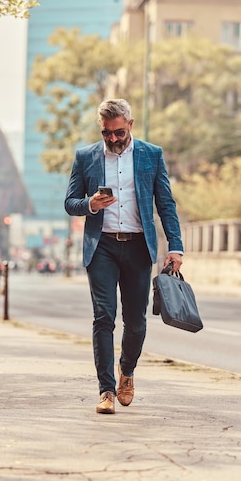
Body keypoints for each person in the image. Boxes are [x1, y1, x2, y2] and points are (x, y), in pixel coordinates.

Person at [64, 98, 183, 414]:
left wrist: (175, 246)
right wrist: (90, 204)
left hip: (137, 247)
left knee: (136, 322)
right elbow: (69, 202)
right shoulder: (86, 157)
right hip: (101, 246)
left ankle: (126, 372)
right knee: (103, 316)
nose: (113, 139)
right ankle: (106, 391)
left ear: (130, 125)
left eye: (118, 132)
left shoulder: (151, 155)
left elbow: (166, 205)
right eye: (106, 133)